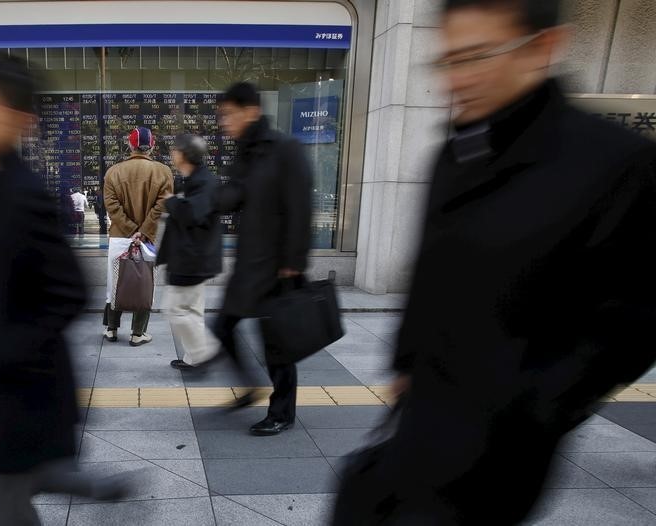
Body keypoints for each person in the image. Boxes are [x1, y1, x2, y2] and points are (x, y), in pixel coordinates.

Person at [333, 1, 656, 524]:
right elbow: (431, 273)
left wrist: (535, 407)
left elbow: (634, 320)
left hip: (506, 440)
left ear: (543, 48)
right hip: (424, 409)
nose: (457, 79)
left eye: (477, 56)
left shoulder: (614, 163)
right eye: (448, 61)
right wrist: (407, 363)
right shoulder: (456, 152)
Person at [0, 57, 127, 526]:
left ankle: (82, 481)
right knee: (16, 489)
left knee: (9, 503)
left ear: (17, 120)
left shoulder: (22, 192)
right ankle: (83, 482)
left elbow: (71, 291)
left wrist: (11, 354)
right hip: (11, 384)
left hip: (24, 389)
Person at [213, 82, 313, 436]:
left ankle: (282, 412)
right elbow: (231, 199)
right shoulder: (245, 153)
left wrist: (294, 262)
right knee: (222, 326)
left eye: (228, 114)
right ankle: (250, 388)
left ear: (250, 111)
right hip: (248, 264)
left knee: (277, 345)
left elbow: (301, 207)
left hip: (277, 266)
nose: (224, 122)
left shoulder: (285, 148)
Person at [157, 134, 223, 370]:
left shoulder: (203, 181)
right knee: (192, 310)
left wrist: (172, 202)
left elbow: (194, 213)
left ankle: (205, 351)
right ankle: (193, 358)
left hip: (191, 259)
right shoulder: (196, 178)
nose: (172, 154)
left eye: (175, 150)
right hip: (193, 257)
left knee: (174, 309)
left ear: (184, 154)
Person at [103, 127, 173, 345]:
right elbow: (161, 205)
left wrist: (130, 229)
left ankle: (111, 330)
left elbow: (112, 206)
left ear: (130, 145)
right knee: (143, 284)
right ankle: (137, 334)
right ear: (151, 146)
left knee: (114, 283)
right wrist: (142, 232)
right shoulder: (163, 171)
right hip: (146, 238)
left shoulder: (113, 172)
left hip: (119, 237)